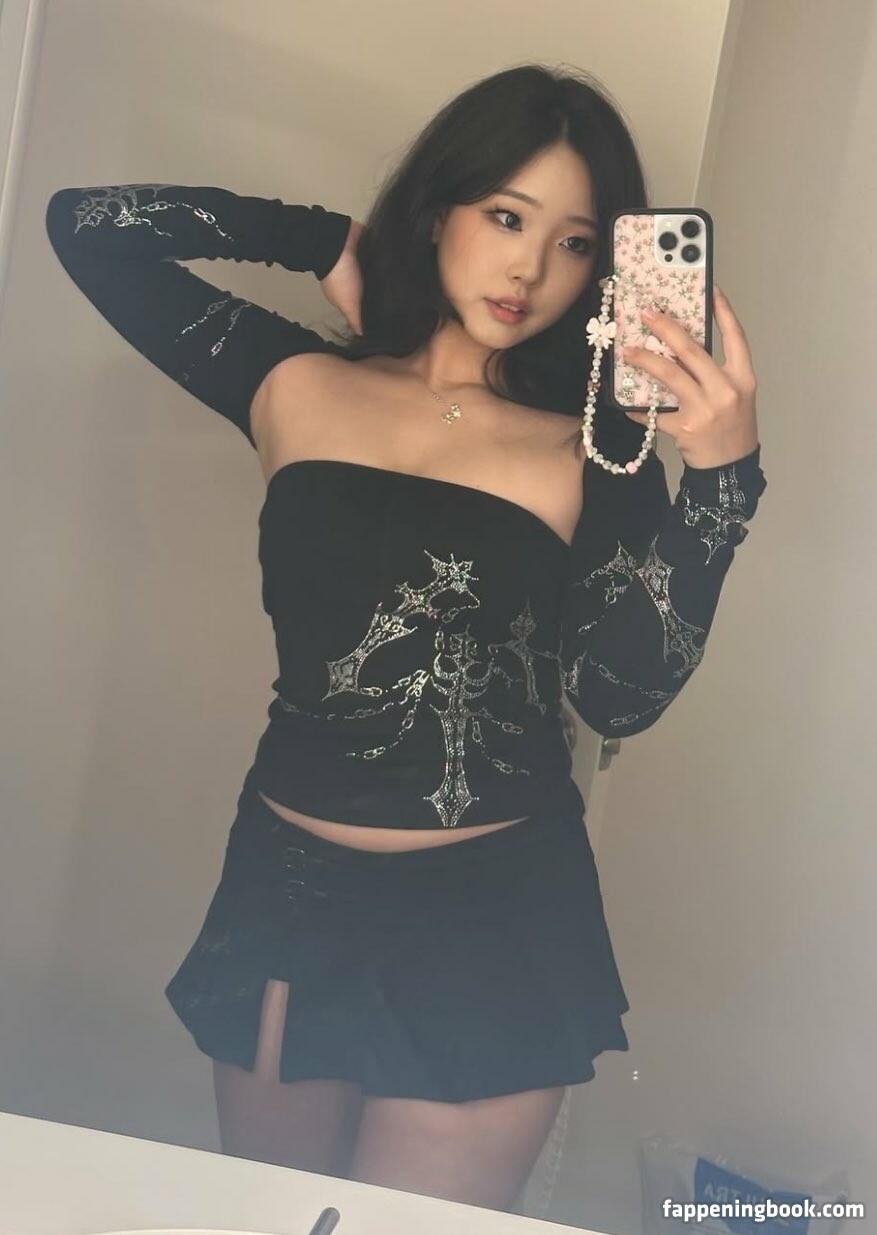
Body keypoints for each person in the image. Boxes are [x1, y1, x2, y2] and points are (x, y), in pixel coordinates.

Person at [45, 63, 765, 1213]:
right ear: (438, 210)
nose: (530, 269)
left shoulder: (594, 444)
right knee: (277, 1220)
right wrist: (323, 238)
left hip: (493, 913)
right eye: (506, 217)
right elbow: (87, 228)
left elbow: (618, 696)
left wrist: (722, 479)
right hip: (288, 893)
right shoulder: (293, 380)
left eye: (575, 243)